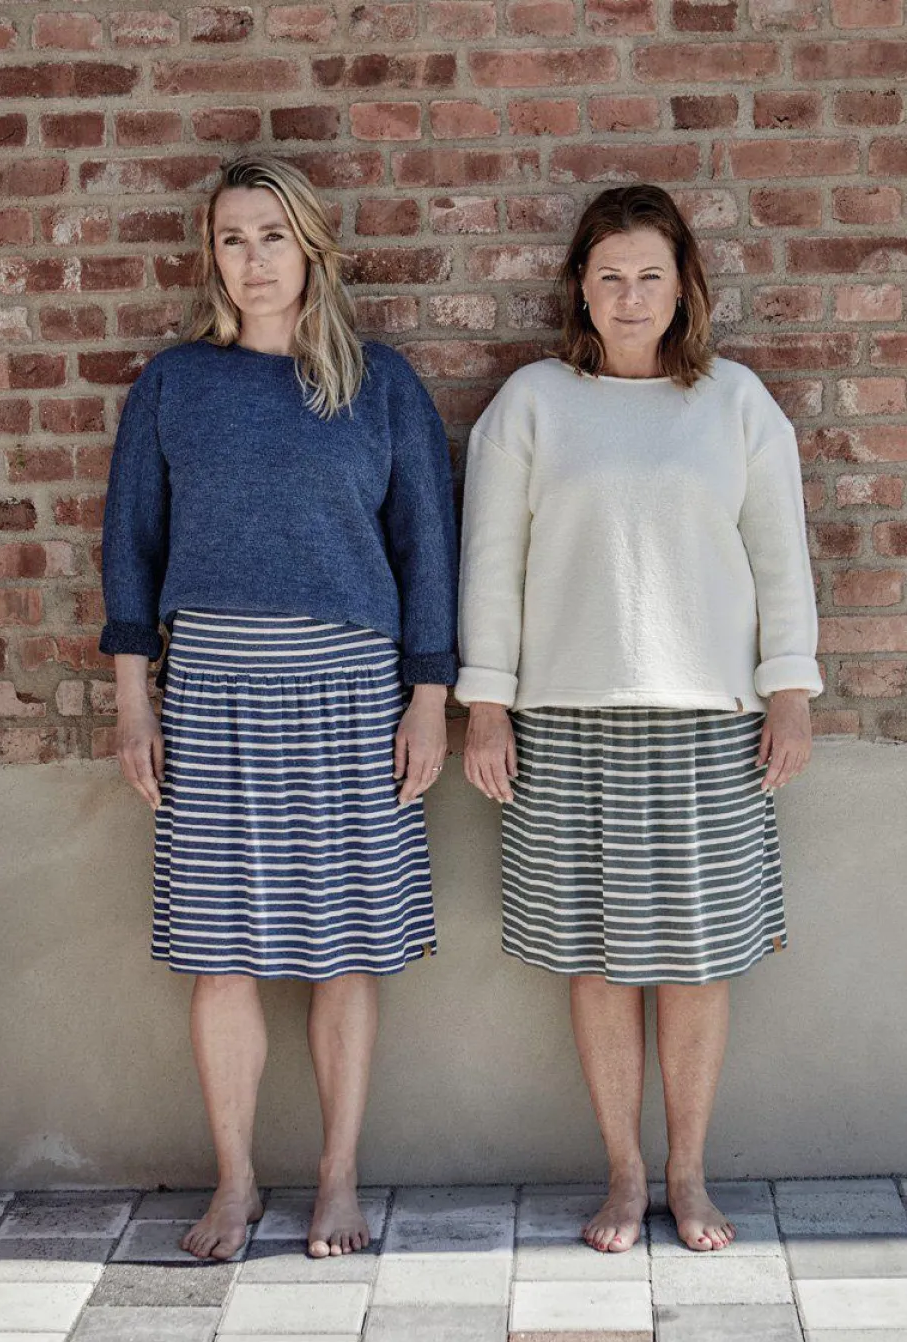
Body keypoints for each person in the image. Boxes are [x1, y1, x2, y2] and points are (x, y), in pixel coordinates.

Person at [100, 153, 457, 1260]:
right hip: (210, 693)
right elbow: (129, 550)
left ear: (311, 248)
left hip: (352, 695)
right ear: (211, 256)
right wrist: (134, 701)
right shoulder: (174, 385)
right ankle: (236, 1183)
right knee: (222, 952)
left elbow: (427, 552)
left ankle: (338, 1178)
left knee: (345, 949)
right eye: (231, 239)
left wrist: (429, 698)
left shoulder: (379, 385)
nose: (252, 260)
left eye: (272, 236)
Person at [456, 184, 821, 1254]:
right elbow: (492, 567)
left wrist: (789, 690)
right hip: (565, 720)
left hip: (709, 720)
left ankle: (687, 1175)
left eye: (650, 275)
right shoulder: (532, 404)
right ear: (581, 286)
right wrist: (487, 707)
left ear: (682, 285)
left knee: (696, 959)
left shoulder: (735, 404)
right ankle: (622, 1174)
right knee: (596, 957)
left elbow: (779, 558)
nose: (629, 296)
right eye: (610, 275)